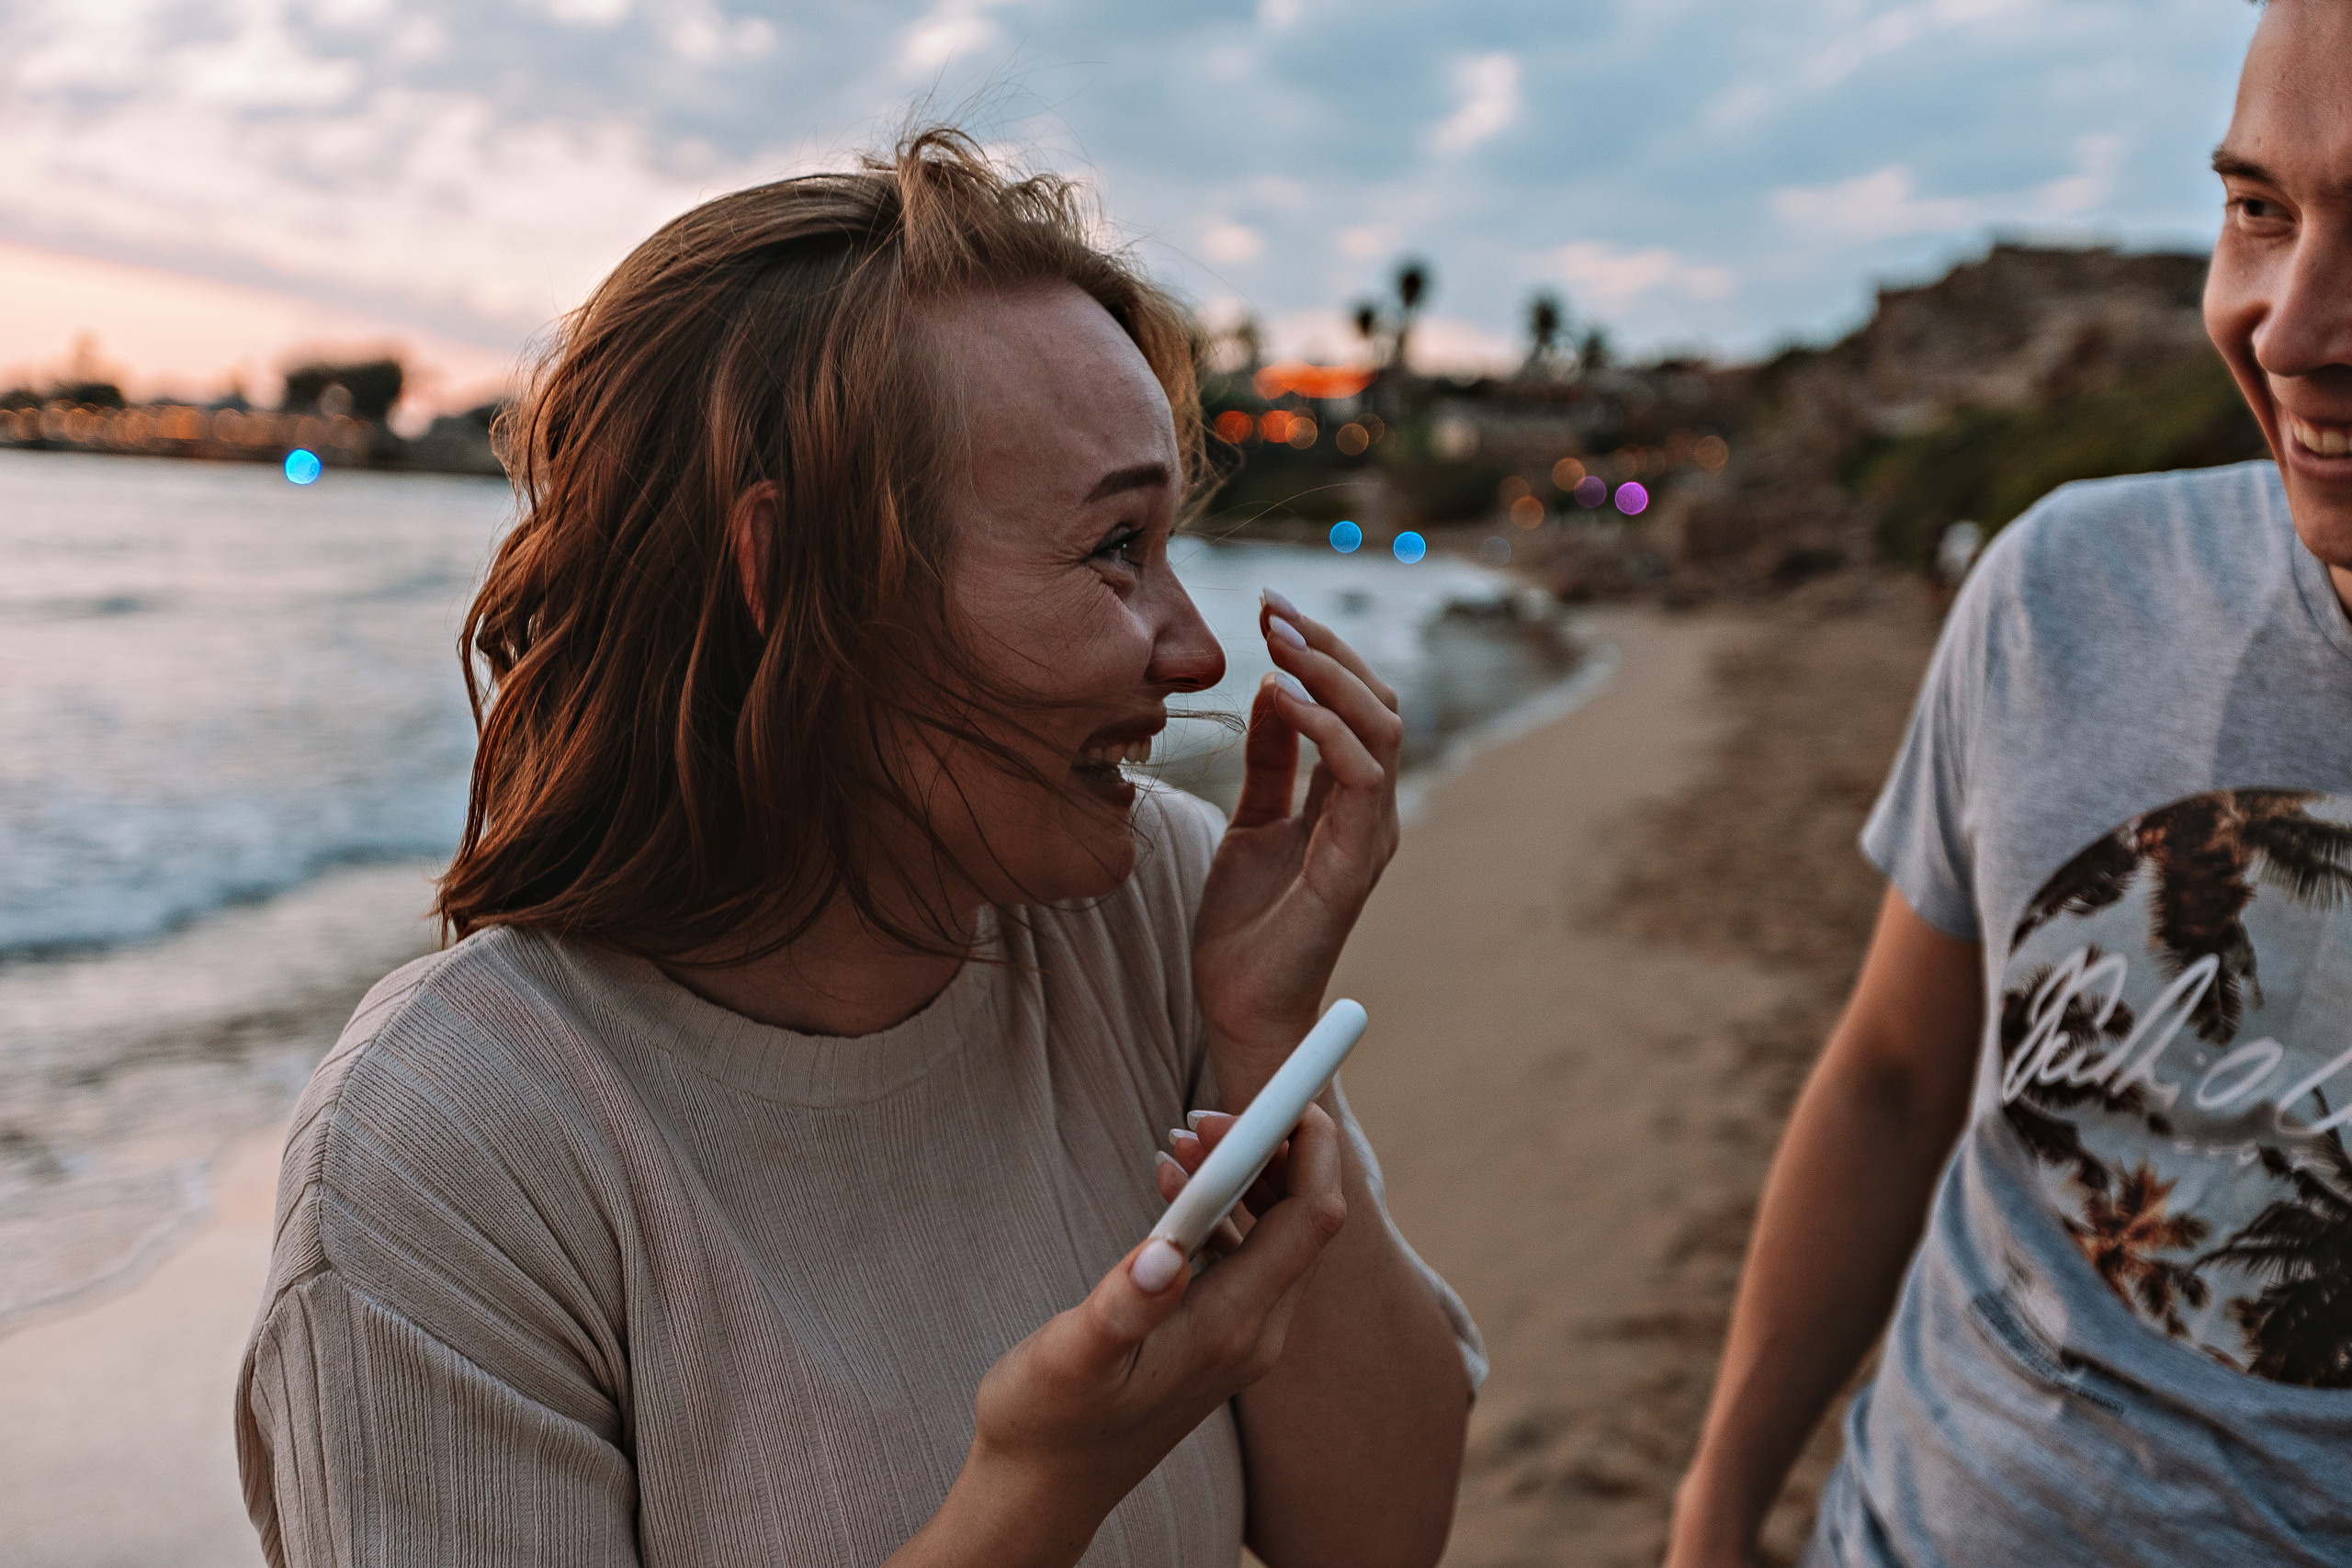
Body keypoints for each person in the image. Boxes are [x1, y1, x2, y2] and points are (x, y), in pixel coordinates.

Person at [234, 129, 1482, 1568]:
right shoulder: (455, 1154)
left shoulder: (1150, 916)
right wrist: (1033, 1496)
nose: (1195, 650)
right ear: (792, 570)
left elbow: (1382, 1534)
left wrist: (1258, 1031)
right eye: (1112, 551)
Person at [1667, 4, 2352, 1563]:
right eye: (2258, 211)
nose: (2289, 325)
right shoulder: (2066, 590)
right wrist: (1711, 1521)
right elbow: (1896, 1081)